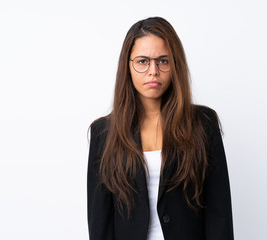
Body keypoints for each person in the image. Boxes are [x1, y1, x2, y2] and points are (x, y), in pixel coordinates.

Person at [87, 16, 234, 240]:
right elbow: (100, 224)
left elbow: (219, 216)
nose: (153, 70)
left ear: (175, 65)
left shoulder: (203, 125)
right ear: (128, 66)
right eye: (143, 61)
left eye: (163, 61)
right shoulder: (103, 133)